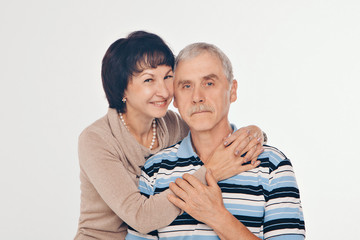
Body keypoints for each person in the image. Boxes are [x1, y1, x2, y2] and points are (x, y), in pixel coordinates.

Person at [74, 31, 267, 239]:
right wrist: (213, 171)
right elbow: (141, 217)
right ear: (123, 90)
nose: (165, 92)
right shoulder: (96, 139)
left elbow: (211, 130)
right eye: (149, 80)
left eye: (167, 77)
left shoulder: (171, 124)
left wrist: (254, 133)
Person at [125, 42, 305, 240]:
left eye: (208, 83)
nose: (197, 97)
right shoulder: (155, 170)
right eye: (186, 86)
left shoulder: (273, 166)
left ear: (232, 90)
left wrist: (217, 216)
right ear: (174, 98)